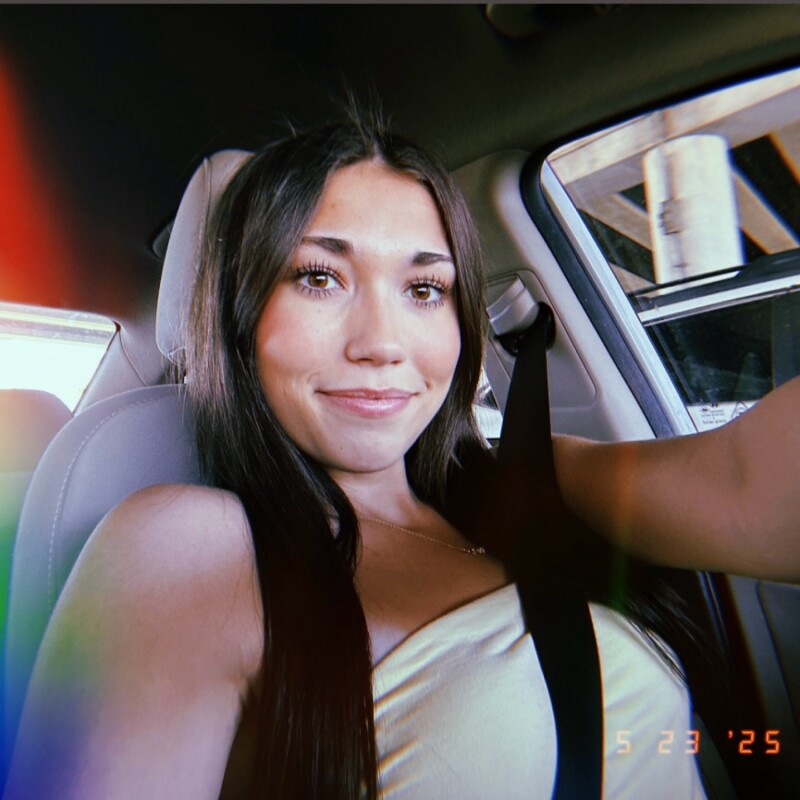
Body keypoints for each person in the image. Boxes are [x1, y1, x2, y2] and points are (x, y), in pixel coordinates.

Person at [3, 111, 796, 799]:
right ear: (240, 314)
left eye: (424, 290)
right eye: (319, 278)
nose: (382, 344)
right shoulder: (180, 545)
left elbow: (751, 488)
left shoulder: (522, 483)